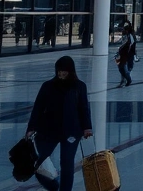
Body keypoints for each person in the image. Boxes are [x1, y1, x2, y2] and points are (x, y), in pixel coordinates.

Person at [26, 56, 93, 191]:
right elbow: (38, 108)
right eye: (59, 71)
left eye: (64, 71)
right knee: (39, 162)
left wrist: (87, 127)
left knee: (67, 163)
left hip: (72, 131)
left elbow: (84, 108)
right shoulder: (48, 86)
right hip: (48, 130)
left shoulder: (79, 86)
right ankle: (53, 186)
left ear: (71, 71)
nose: (61, 74)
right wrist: (31, 128)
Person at [115, 22, 137, 88]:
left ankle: (127, 80)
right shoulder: (128, 36)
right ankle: (125, 80)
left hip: (127, 54)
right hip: (125, 54)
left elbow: (128, 45)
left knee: (123, 68)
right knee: (123, 67)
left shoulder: (129, 36)